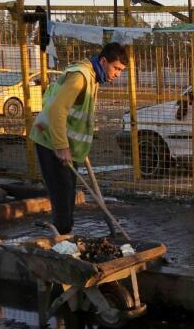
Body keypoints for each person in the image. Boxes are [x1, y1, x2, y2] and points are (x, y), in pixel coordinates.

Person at [28, 42, 128, 235]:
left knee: (67, 194)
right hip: (50, 140)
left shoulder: (92, 76)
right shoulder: (80, 77)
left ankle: (64, 236)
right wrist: (61, 146)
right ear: (103, 61)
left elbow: (75, 115)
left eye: (121, 70)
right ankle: (62, 242)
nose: (118, 74)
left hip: (62, 142)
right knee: (63, 196)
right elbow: (58, 109)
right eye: (116, 68)